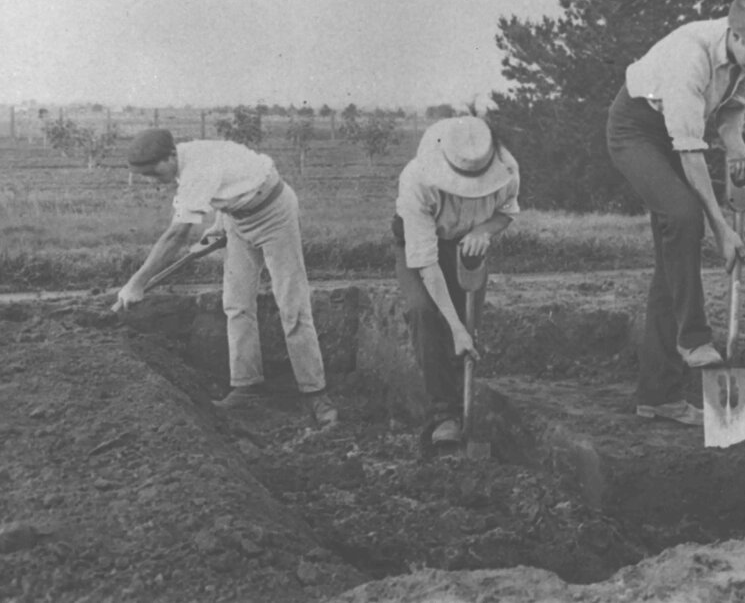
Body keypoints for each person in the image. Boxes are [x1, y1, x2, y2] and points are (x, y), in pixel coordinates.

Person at [605, 0, 745, 426]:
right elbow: (690, 153)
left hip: (679, 134)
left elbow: (731, 112)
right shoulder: (690, 56)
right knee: (684, 216)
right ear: (736, 34)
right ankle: (694, 338)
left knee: (671, 267)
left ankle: (659, 396)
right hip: (637, 131)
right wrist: (722, 230)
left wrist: (738, 148)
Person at [117, 129, 339, 427]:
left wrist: (137, 282)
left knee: (292, 305)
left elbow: (176, 235)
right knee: (236, 304)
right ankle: (246, 385)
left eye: (153, 173)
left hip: (274, 213)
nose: (152, 181)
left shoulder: (196, 168)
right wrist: (220, 223)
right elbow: (229, 177)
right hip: (238, 218)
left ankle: (315, 393)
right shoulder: (186, 158)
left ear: (170, 156)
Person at [392, 116, 520, 447]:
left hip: (467, 244)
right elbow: (427, 263)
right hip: (420, 243)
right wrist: (455, 328)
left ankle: (466, 410)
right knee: (425, 313)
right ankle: (443, 416)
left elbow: (506, 212)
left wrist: (482, 231)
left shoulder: (506, 169)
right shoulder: (417, 180)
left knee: (468, 323)